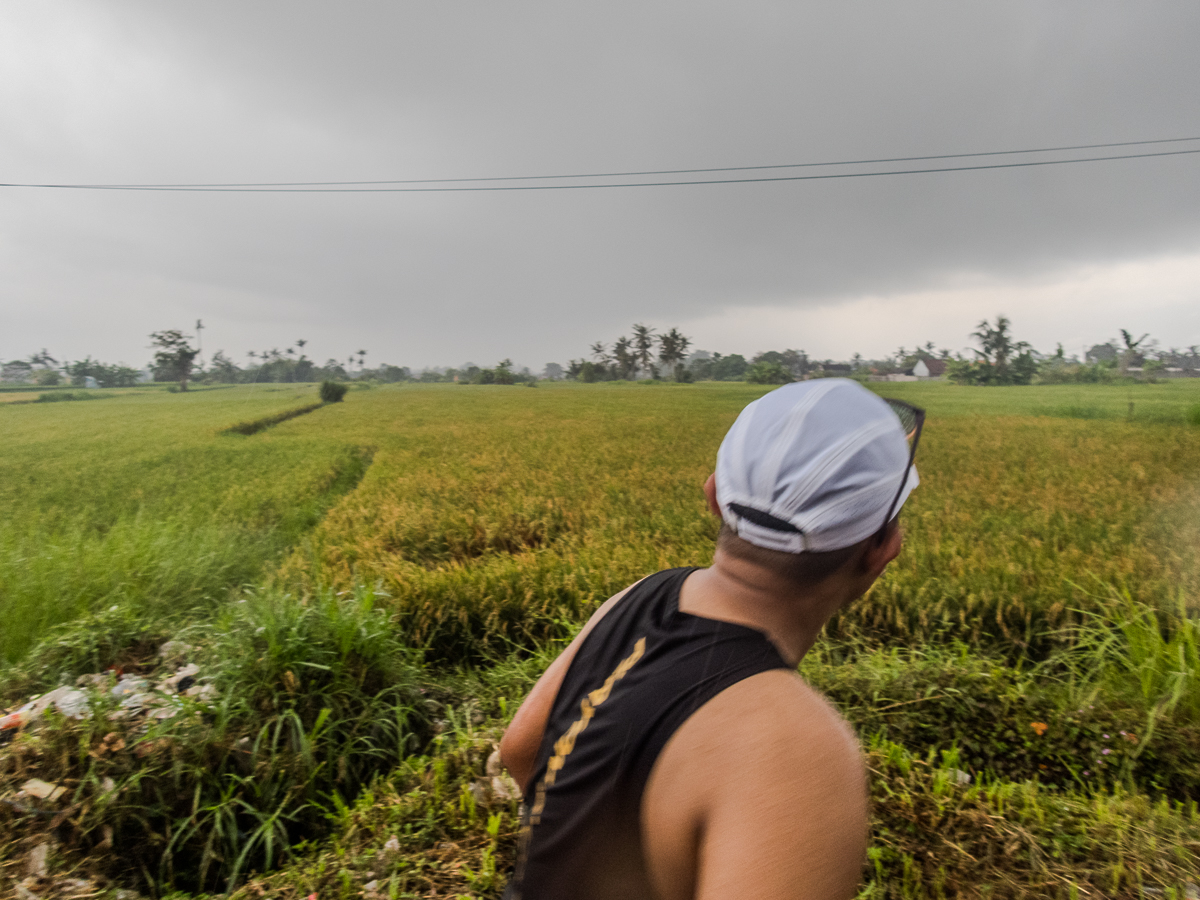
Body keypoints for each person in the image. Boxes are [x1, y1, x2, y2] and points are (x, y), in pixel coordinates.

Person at [499, 379, 922, 900]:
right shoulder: (795, 749)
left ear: (715, 497)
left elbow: (522, 748)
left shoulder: (642, 597)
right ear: (883, 548)